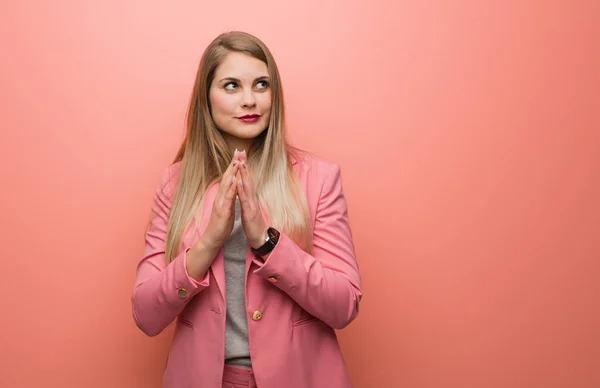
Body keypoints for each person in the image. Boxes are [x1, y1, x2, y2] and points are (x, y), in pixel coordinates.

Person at [131, 31, 362, 388]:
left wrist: (266, 241)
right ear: (206, 98)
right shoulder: (175, 184)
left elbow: (344, 305)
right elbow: (146, 315)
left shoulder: (318, 178)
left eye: (261, 84)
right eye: (231, 85)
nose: (250, 100)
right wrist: (208, 242)